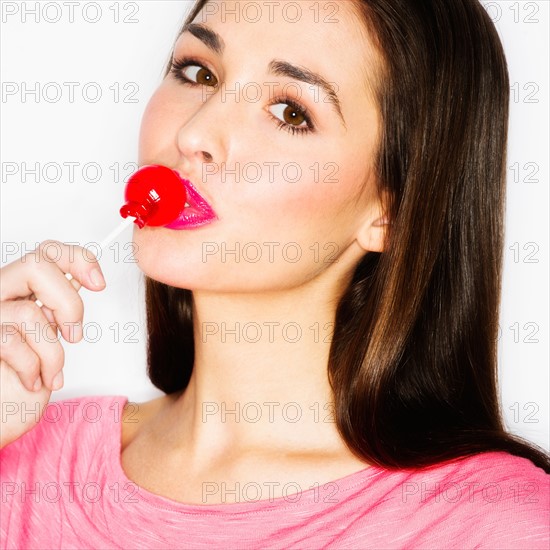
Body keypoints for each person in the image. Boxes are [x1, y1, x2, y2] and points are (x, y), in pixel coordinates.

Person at [1, 0, 548, 548]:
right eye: (199, 73)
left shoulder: (495, 524)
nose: (194, 134)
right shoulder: (22, 454)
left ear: (392, 211)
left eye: (290, 111)